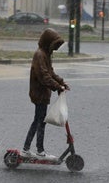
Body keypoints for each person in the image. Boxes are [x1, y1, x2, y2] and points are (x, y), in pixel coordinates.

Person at [21, 28, 70, 159]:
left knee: (38, 121)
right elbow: (44, 76)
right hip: (39, 93)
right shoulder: (40, 55)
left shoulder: (46, 54)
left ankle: (28, 149)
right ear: (48, 42)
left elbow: (51, 72)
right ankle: (37, 150)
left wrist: (61, 82)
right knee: (39, 122)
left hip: (43, 93)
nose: (55, 49)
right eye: (54, 45)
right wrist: (57, 86)